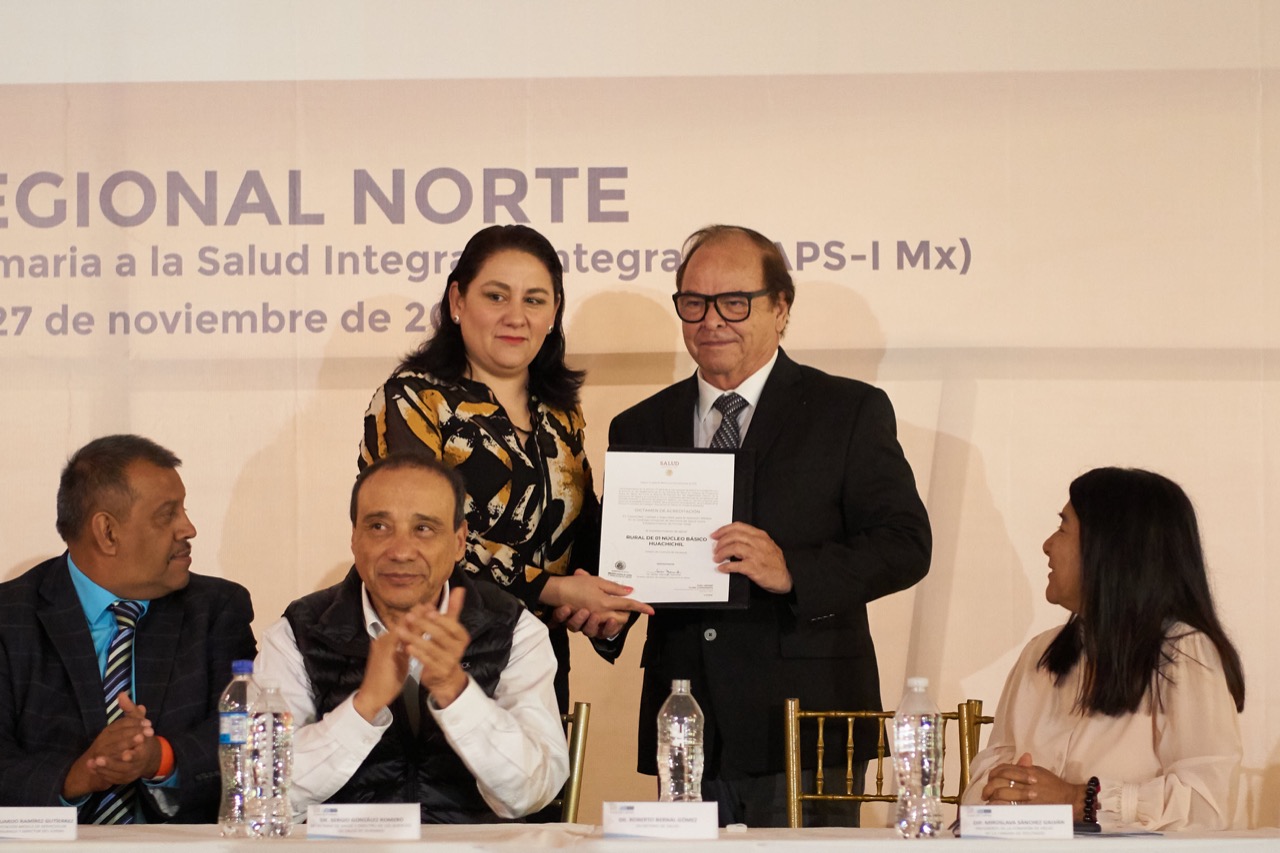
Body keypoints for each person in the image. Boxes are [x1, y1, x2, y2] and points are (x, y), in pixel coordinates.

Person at [608, 224, 932, 827]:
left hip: (806, 726)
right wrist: (611, 609)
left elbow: (906, 544)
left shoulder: (848, 411)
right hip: (687, 725)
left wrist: (792, 572)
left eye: (735, 302)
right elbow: (629, 558)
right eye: (694, 302)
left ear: (781, 309)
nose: (711, 320)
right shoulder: (640, 424)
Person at [360, 224, 651, 713]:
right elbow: (420, 538)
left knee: (539, 767)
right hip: (437, 655)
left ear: (554, 313)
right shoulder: (412, 399)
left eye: (534, 300)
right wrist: (554, 588)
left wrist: (609, 602)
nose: (516, 316)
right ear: (457, 300)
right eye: (496, 296)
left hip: (536, 661)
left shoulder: (559, 412)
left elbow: (581, 527)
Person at [254, 452, 568, 823]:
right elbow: (260, 790)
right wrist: (364, 706)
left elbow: (535, 791)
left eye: (423, 529)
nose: (401, 551)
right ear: (354, 538)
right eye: (378, 527)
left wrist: (455, 692)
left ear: (459, 541)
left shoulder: (513, 628)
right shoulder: (298, 632)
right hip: (346, 848)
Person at [962, 467, 1246, 831]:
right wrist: (1005, 791)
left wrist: (1076, 799)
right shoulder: (1039, 653)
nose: (1047, 545)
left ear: (1110, 547)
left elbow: (1207, 805)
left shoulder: (1185, 654)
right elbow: (982, 784)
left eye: (1063, 528)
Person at [0, 434, 257, 823]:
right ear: (107, 532)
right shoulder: (10, 619)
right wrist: (76, 777)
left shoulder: (216, 610)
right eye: (167, 514)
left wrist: (160, 759)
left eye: (184, 510)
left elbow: (245, 733)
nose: (188, 529)